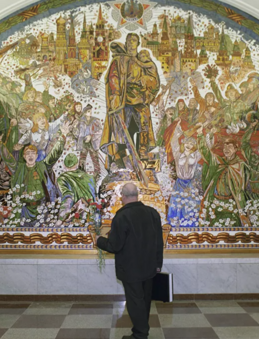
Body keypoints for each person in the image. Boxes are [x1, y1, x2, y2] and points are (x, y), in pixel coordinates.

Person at [96, 183, 163, 339]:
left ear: (123, 197)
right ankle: (141, 331)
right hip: (150, 267)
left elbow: (114, 246)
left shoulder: (121, 216)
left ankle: (140, 334)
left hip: (130, 269)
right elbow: (159, 243)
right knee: (145, 300)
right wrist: (158, 265)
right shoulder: (153, 213)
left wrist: (99, 240)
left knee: (135, 302)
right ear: (137, 195)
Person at [100, 33, 160, 170]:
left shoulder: (144, 60)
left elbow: (154, 81)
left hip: (140, 101)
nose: (130, 43)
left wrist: (146, 87)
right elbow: (113, 78)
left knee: (142, 128)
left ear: (138, 43)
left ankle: (142, 155)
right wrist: (115, 97)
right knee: (121, 130)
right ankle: (120, 158)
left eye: (133, 40)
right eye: (128, 40)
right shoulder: (120, 60)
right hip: (123, 101)